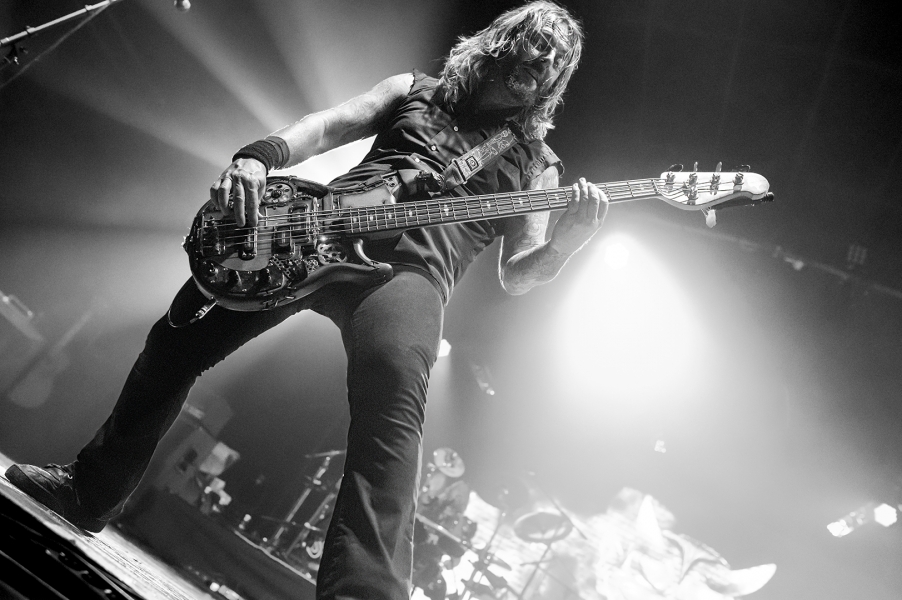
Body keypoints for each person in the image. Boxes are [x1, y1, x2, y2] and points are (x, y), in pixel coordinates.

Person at [5, 2, 607, 598]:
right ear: (503, 42)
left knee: (393, 420)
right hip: (317, 231)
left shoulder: (537, 165)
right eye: (537, 43)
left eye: (557, 58)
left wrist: (564, 246)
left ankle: (364, 594)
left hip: (412, 275)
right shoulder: (415, 90)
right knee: (176, 339)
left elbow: (518, 276)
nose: (544, 59)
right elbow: (327, 127)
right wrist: (257, 156)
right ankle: (89, 490)